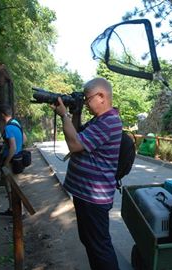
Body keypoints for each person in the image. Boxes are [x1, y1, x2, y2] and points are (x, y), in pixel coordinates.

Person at [52, 78, 122, 270]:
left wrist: (64, 115)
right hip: (86, 196)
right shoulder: (99, 120)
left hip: (94, 199)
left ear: (101, 97)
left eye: (87, 98)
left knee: (100, 247)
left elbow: (74, 145)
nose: (85, 102)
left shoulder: (109, 122)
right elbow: (77, 134)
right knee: (90, 242)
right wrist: (75, 112)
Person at [0, 104, 27, 216]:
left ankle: (19, 212)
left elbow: (13, 147)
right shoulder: (16, 123)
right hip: (19, 159)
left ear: (2, 115)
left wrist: (5, 163)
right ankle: (12, 209)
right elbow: (24, 139)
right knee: (16, 185)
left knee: (11, 188)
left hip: (11, 161)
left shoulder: (8, 127)